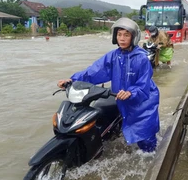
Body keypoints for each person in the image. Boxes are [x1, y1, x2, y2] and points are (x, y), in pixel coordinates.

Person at [57, 17, 160, 152]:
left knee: (146, 138)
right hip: (121, 98)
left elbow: (143, 83)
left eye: (126, 35)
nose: (122, 38)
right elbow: (93, 71)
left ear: (133, 37)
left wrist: (131, 92)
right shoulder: (112, 56)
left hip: (143, 102)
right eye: (119, 34)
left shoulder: (141, 58)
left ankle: (152, 158)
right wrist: (72, 80)